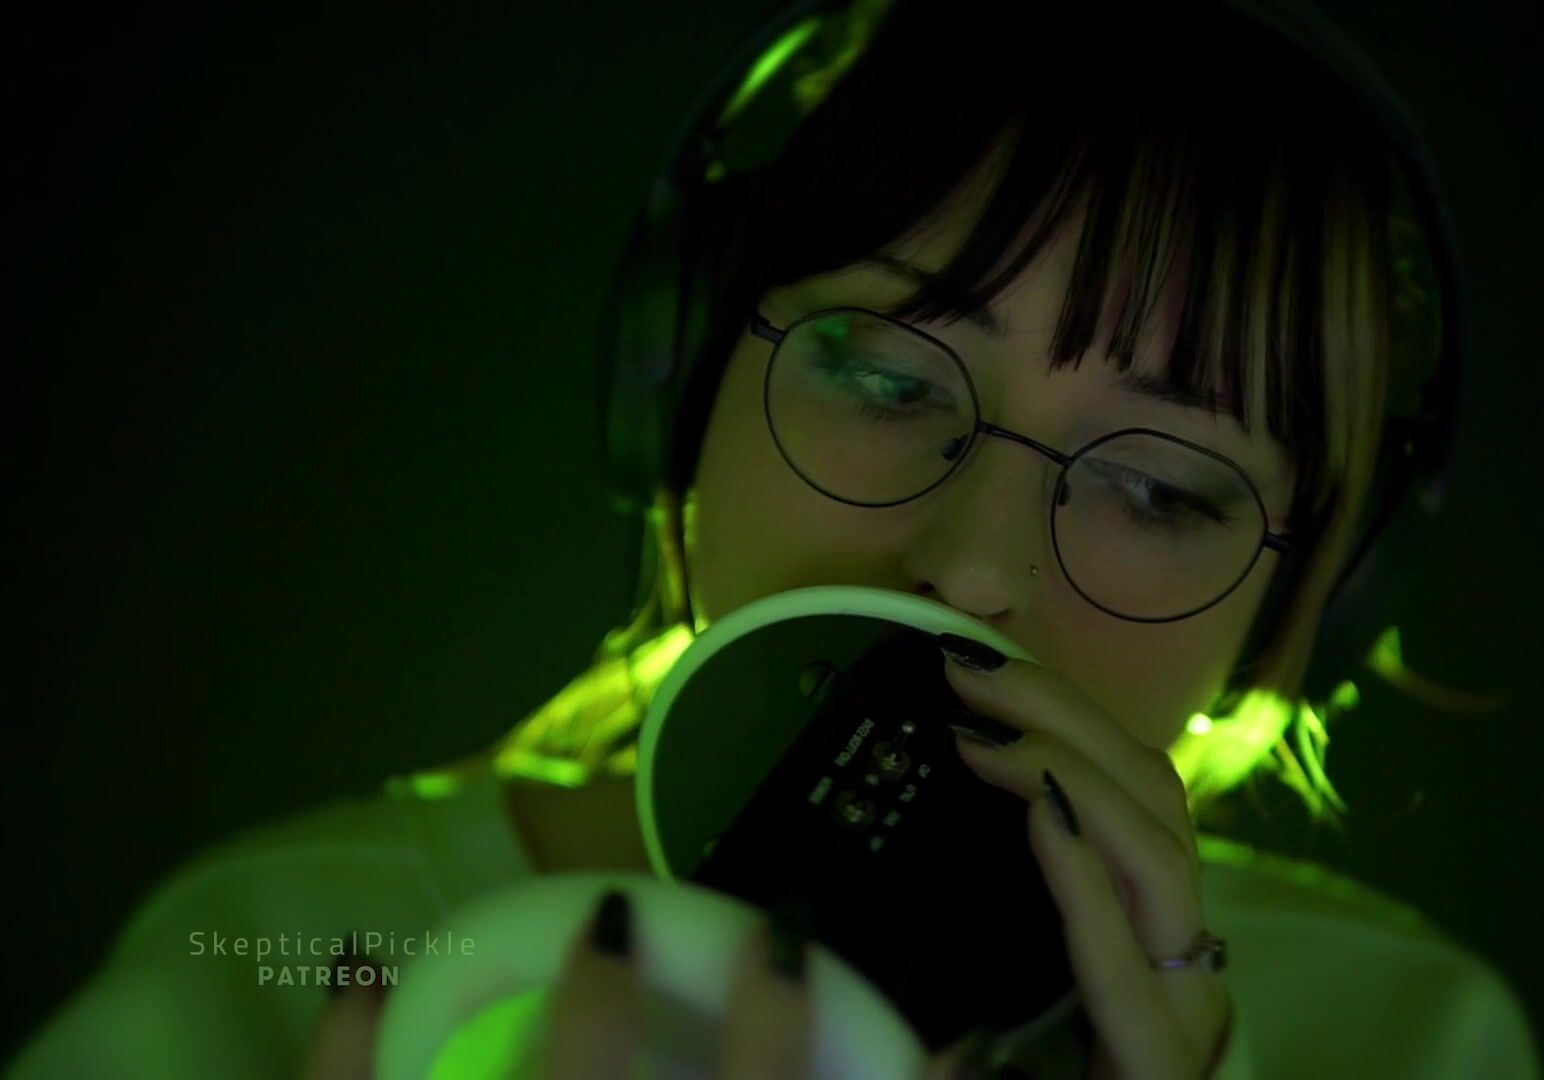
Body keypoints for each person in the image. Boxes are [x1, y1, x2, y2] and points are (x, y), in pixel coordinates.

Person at [9, 0, 1540, 1076]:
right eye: (884, 378)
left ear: (1308, 604)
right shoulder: (261, 962)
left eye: (1161, 487)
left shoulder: (1414, 1041)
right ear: (679, 397)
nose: (975, 567)